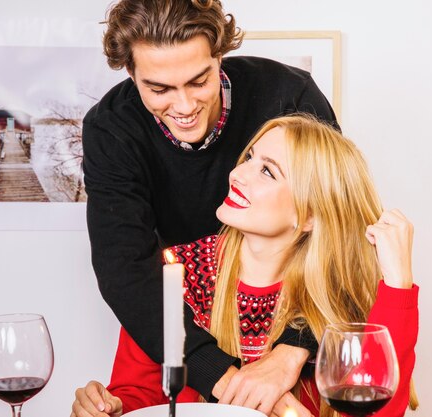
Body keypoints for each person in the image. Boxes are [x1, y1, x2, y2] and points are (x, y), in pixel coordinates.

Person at [82, 0, 338, 412]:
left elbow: (338, 227)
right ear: (131, 73)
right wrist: (230, 383)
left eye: (199, 81)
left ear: (219, 55)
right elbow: (123, 268)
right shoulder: (112, 129)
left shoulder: (289, 95)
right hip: (183, 320)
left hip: (296, 309)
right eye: (158, 89)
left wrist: (294, 349)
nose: (183, 107)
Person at [73, 114, 419, 417]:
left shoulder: (342, 299)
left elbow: (377, 411)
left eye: (267, 171)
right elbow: (142, 395)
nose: (237, 173)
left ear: (310, 214)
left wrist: (399, 285)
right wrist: (112, 406)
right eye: (249, 157)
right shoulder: (173, 273)